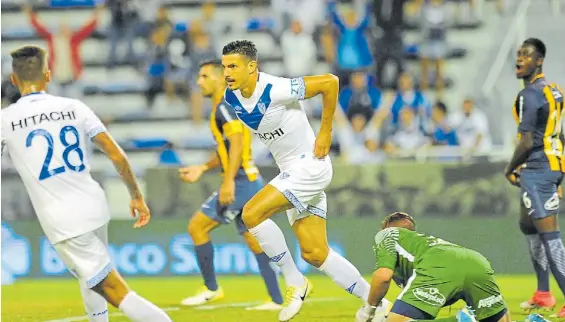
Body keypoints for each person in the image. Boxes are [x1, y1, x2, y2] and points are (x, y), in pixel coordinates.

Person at [0, 46, 171, 322]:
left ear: (14, 79)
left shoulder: (5, 120)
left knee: (115, 290)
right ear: (48, 75)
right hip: (93, 204)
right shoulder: (74, 107)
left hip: (64, 219)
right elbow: (116, 154)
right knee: (91, 277)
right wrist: (136, 196)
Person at [220, 40, 384, 322]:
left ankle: (295, 282)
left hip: (310, 167)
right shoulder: (231, 97)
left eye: (233, 66)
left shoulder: (275, 88)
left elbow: (330, 82)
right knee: (315, 253)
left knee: (251, 214)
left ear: (251, 66)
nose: (227, 72)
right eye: (224, 67)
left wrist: (325, 132)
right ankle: (377, 306)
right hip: (291, 173)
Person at [178, 59, 283, 310]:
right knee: (253, 239)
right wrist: (203, 168)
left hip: (241, 181)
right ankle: (279, 297)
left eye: (204, 76)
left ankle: (211, 289)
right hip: (248, 178)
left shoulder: (223, 108)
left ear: (218, 78)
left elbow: (236, 144)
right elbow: (229, 150)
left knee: (197, 228)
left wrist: (227, 183)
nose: (198, 82)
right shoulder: (227, 106)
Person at [355, 212, 512, 322]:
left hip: (440, 266)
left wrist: (368, 312)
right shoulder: (422, 244)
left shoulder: (387, 234)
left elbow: (382, 277)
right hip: (477, 261)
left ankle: (458, 321)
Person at [503, 38, 565, 316]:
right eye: (518, 54)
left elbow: (527, 142)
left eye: (526, 55)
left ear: (539, 60)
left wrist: (509, 168)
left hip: (538, 169)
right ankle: (543, 293)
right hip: (546, 167)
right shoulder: (555, 91)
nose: (519, 59)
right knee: (528, 226)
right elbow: (558, 134)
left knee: (549, 235)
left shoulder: (528, 95)